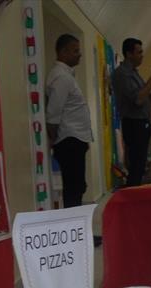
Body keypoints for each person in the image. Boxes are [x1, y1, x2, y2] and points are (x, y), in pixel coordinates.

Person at [45, 34, 92, 208]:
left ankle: (77, 226)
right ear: (63, 52)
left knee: (78, 186)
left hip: (75, 139)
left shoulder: (67, 75)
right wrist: (56, 140)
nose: (79, 54)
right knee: (74, 187)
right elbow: (53, 114)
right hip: (68, 141)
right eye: (75, 51)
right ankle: (75, 229)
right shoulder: (62, 77)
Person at [111, 38, 151, 186]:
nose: (142, 55)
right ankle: (131, 196)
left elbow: (149, 102)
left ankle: (135, 193)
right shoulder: (122, 74)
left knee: (141, 166)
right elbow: (138, 100)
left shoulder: (135, 74)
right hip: (133, 124)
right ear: (129, 54)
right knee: (136, 166)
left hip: (142, 122)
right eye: (139, 52)